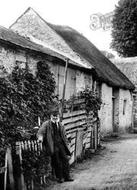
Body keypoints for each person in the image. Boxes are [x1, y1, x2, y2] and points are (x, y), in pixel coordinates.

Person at [37, 107, 74, 183]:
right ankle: (60, 178)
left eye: (56, 116)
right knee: (57, 161)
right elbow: (40, 132)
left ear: (58, 116)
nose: (55, 117)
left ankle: (67, 177)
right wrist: (40, 138)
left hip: (61, 145)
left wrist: (66, 142)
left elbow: (64, 135)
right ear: (51, 116)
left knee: (65, 160)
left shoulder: (60, 124)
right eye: (53, 116)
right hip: (52, 145)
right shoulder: (46, 124)